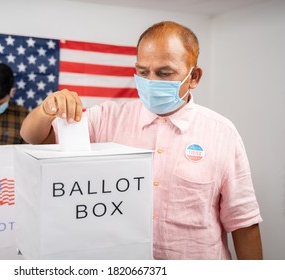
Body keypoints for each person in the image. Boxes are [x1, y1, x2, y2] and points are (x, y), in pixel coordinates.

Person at [20, 21, 263, 260]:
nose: (151, 82)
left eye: (164, 73)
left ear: (194, 77)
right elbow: (34, 137)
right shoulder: (107, 117)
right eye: (143, 72)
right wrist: (47, 109)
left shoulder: (222, 133)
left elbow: (243, 223)